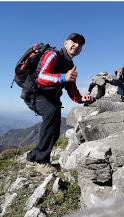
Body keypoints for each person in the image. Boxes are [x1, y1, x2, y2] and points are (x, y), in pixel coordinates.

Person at [25, 33, 92, 164]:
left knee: (54, 132)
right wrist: (63, 77)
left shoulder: (69, 65)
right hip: (35, 93)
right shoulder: (53, 55)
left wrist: (80, 98)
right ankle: (42, 161)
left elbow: (71, 89)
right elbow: (41, 77)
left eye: (80, 44)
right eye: (74, 41)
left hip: (51, 97)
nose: (77, 45)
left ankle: (33, 156)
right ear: (65, 43)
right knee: (51, 113)